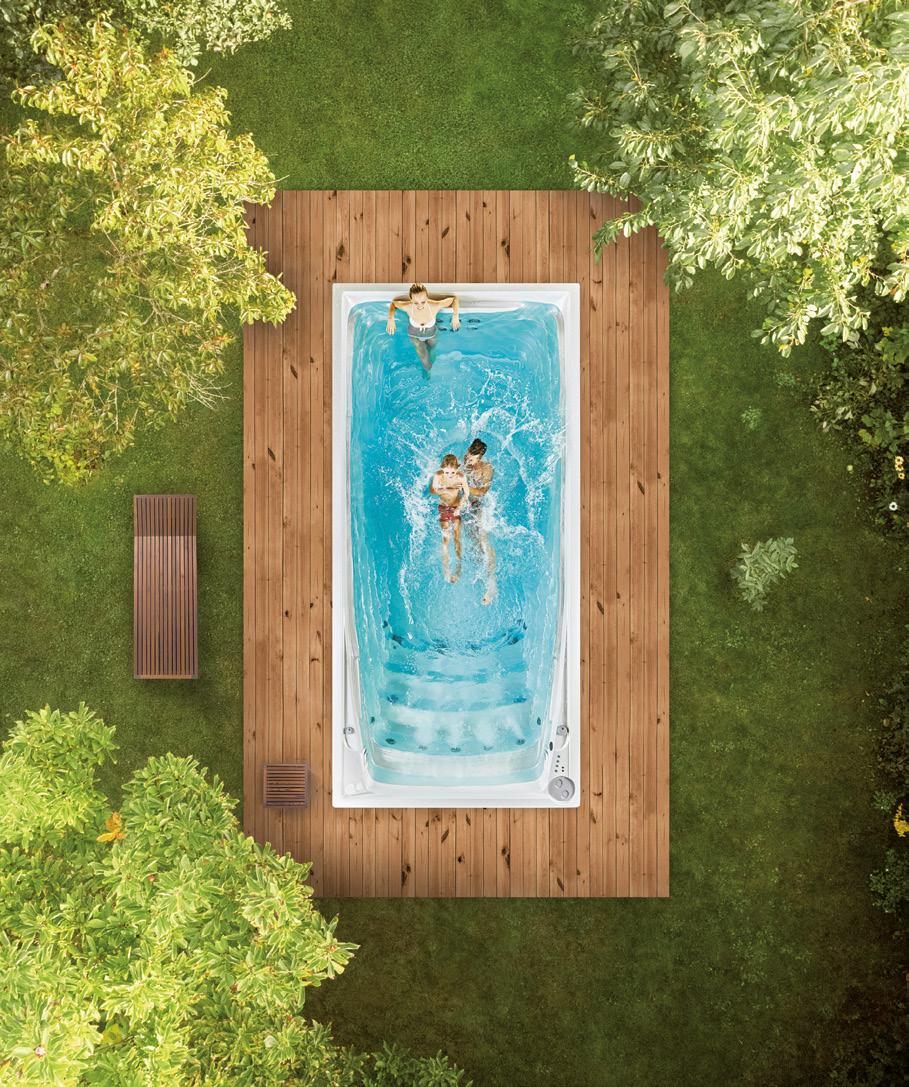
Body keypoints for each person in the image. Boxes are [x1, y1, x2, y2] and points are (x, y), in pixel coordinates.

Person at [386, 283, 460, 372]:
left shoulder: (434, 305)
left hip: (431, 332)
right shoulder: (408, 306)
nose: (420, 305)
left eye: (423, 302)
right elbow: (394, 304)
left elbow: (454, 299)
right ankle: (428, 370)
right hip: (414, 334)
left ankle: (430, 365)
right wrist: (390, 319)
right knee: (424, 358)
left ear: (427, 298)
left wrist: (455, 316)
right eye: (416, 302)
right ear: (411, 299)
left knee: (432, 350)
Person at [463, 438, 497, 604]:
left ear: (480, 458)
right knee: (474, 543)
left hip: (480, 507)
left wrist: (466, 488)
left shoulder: (487, 469)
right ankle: (481, 574)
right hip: (467, 507)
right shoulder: (466, 459)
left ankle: (492, 585)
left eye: (473, 458)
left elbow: (483, 491)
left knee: (483, 541)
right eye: (469, 455)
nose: (469, 460)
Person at [429, 453, 469, 583]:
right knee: (446, 539)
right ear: (442, 468)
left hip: (456, 508)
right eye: (447, 472)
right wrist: (448, 488)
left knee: (457, 538)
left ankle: (458, 568)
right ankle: (446, 571)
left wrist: (460, 507)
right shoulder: (438, 475)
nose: (450, 475)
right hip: (444, 508)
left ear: (457, 468)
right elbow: (433, 491)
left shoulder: (461, 476)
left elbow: (466, 494)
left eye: (452, 472)